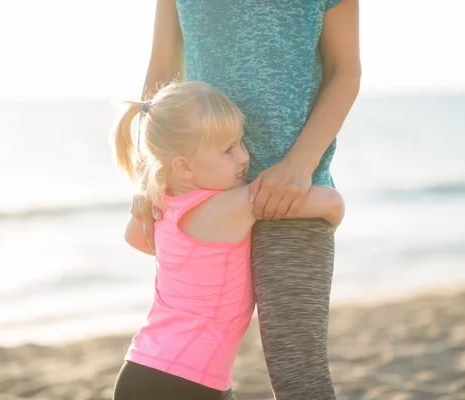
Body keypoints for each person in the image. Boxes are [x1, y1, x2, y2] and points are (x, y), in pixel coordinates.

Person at [133, 1, 361, 399]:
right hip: (204, 195)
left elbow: (345, 69)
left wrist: (300, 164)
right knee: (196, 356)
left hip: (292, 193)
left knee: (299, 376)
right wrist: (147, 174)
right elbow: (160, 78)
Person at [111, 81, 345, 400]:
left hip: (146, 367)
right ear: (184, 166)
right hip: (183, 383)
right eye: (228, 150)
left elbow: (135, 237)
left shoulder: (163, 205)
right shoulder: (232, 206)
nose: (244, 158)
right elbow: (330, 202)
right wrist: (331, 222)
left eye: (240, 143)